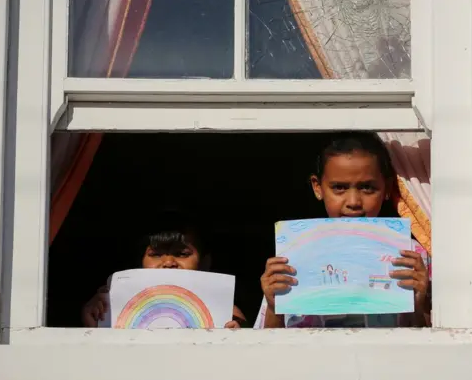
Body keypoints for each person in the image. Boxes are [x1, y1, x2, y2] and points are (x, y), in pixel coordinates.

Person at [257, 132, 431, 328]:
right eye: (339, 187)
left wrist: (419, 303)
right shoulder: (293, 256)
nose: (353, 202)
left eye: (367, 187)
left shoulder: (412, 257)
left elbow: (433, 345)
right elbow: (269, 348)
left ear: (387, 188)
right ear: (318, 187)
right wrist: (274, 306)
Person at [82, 214, 245, 328]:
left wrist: (235, 337)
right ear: (140, 262)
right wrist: (94, 323)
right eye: (156, 254)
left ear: (205, 262)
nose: (168, 262)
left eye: (182, 254)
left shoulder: (227, 312)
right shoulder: (108, 308)